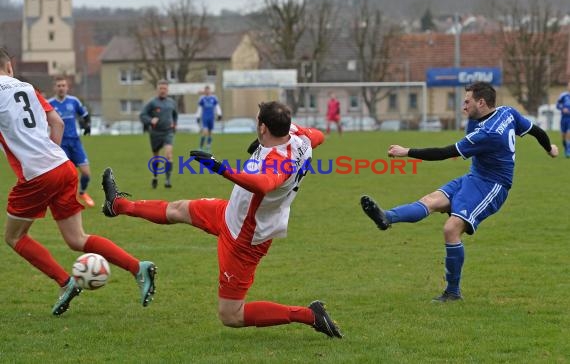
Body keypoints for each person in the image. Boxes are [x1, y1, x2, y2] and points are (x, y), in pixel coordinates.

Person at [101, 101, 343, 338]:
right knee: (177, 210)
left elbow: (264, 184)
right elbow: (318, 136)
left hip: (245, 237)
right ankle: (117, 205)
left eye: (257, 120)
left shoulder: (279, 160)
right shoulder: (295, 134)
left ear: (263, 128)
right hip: (232, 212)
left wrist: (221, 168)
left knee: (231, 315)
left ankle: (310, 315)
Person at [360, 81, 558, 302]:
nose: (463, 106)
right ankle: (386, 217)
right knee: (431, 200)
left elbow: (444, 152)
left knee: (451, 228)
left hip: (492, 186)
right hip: (474, 178)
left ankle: (453, 292)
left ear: (481, 102)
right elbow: (536, 131)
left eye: (467, 101)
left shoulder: (488, 133)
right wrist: (550, 148)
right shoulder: (507, 112)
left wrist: (407, 152)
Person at [0, 47, 156, 316]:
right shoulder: (27, 88)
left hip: (37, 175)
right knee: (76, 238)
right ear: (10, 66)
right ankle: (137, 267)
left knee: (14, 237)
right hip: (62, 166)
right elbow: (57, 123)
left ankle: (65, 281)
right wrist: (50, 157)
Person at [48, 76, 95, 207]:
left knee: (86, 173)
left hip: (75, 142)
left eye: (63, 85)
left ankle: (82, 193)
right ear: (54, 88)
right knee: (65, 176)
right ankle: (65, 199)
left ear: (67, 87)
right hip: (60, 144)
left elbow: (85, 115)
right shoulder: (49, 103)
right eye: (59, 85)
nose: (61, 88)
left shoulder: (74, 101)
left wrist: (87, 126)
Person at [140, 79, 178, 189]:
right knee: (156, 157)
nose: (163, 90)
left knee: (169, 155)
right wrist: (150, 120)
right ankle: (155, 176)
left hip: (168, 132)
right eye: (161, 88)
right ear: (157, 89)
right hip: (155, 133)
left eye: (165, 88)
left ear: (167, 90)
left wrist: (174, 124)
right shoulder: (152, 103)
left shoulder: (171, 102)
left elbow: (175, 115)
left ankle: (167, 180)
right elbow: (142, 115)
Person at [196, 85, 222, 152]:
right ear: (204, 91)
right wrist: (198, 116)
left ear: (210, 91)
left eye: (208, 90)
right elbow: (199, 108)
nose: (207, 91)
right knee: (205, 132)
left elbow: (217, 106)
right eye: (206, 90)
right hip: (205, 117)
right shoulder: (202, 98)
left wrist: (219, 114)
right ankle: (201, 147)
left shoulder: (214, 98)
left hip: (211, 117)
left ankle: (208, 147)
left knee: (210, 133)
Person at [555, 81, 570, 158]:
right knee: (563, 136)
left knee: (568, 134)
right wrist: (562, 108)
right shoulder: (563, 96)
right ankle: (566, 148)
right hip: (564, 118)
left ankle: (568, 151)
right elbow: (557, 105)